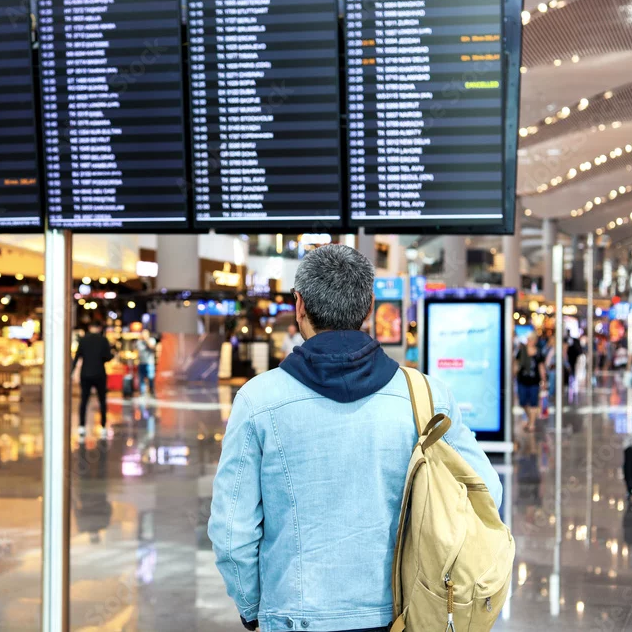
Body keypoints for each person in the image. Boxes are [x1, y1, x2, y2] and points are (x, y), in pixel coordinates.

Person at [208, 245, 501, 632]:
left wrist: (253, 609)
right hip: (402, 614)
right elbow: (487, 493)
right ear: (370, 308)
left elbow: (232, 532)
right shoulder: (428, 397)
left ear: (299, 305)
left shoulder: (257, 401)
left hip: (295, 617)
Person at [74, 321, 113, 437]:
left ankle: (82, 426)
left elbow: (77, 356)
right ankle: (103, 425)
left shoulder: (83, 340)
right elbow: (107, 357)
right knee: (102, 400)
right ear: (99, 328)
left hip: (85, 373)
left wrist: (72, 371)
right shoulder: (103, 340)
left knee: (84, 400)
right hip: (99, 373)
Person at [516, 333, 546, 432]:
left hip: (534, 381)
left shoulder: (538, 353)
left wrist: (544, 380)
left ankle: (532, 424)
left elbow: (541, 367)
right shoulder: (522, 351)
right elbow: (516, 364)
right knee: (523, 402)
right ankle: (530, 418)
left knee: (533, 402)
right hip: (522, 380)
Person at [136, 330, 157, 396]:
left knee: (151, 377)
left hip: (150, 363)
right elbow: (139, 350)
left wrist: (147, 340)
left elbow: (152, 347)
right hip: (142, 363)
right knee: (141, 378)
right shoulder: (139, 342)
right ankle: (142, 392)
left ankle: (151, 390)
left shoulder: (152, 340)